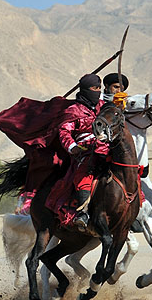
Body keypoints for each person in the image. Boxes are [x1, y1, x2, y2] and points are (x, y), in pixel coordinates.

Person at [46, 74, 107, 231]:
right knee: (83, 175)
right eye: (95, 88)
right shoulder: (73, 110)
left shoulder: (104, 105)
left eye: (99, 88)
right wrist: (73, 147)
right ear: (86, 90)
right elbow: (64, 131)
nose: (98, 91)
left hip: (106, 144)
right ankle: (83, 213)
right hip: (85, 149)